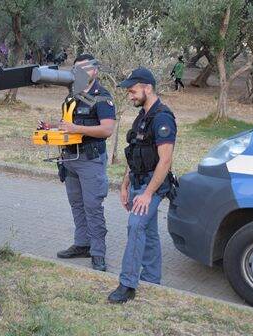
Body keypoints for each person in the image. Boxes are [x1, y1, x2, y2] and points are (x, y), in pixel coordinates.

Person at [108, 67, 177, 303]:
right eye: (129, 92)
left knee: (136, 225)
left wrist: (147, 194)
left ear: (147, 87)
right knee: (149, 231)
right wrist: (125, 185)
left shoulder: (163, 118)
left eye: (133, 91)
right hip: (137, 181)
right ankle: (152, 280)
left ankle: (127, 284)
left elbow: (165, 160)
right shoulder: (142, 117)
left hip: (153, 185)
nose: (130, 96)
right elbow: (134, 154)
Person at [56, 54, 116, 272]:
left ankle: (98, 253)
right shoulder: (72, 96)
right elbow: (68, 125)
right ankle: (82, 244)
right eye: (76, 69)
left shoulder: (102, 97)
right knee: (77, 205)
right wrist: (51, 127)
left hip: (90, 160)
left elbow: (107, 130)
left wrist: (77, 129)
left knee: (93, 207)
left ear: (94, 71)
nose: (79, 73)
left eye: (84, 68)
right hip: (70, 159)